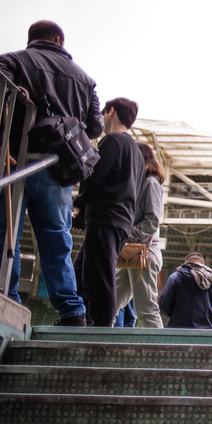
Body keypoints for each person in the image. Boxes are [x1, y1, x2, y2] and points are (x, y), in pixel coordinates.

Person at [0, 20, 102, 325]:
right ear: (58, 40)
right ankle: (71, 311)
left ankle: (6, 298)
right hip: (57, 168)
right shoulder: (85, 79)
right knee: (57, 242)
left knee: (5, 234)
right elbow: (96, 126)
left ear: (31, 40)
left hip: (14, 162)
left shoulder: (11, 60)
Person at [72, 97, 145, 326]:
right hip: (120, 220)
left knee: (100, 275)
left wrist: (80, 204)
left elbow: (96, 176)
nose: (102, 118)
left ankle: (102, 327)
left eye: (104, 113)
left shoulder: (112, 140)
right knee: (82, 272)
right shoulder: (136, 151)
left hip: (105, 217)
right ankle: (81, 319)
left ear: (111, 111)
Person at [113, 143, 165, 327]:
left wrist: (127, 235)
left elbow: (152, 221)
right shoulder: (140, 183)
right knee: (111, 304)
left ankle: (161, 352)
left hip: (144, 254)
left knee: (147, 310)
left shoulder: (151, 183)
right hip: (134, 254)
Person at [159, 252, 212, 328]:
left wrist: (175, 315)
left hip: (177, 332)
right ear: (203, 265)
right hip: (206, 334)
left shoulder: (175, 278)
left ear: (186, 263)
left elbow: (164, 305)